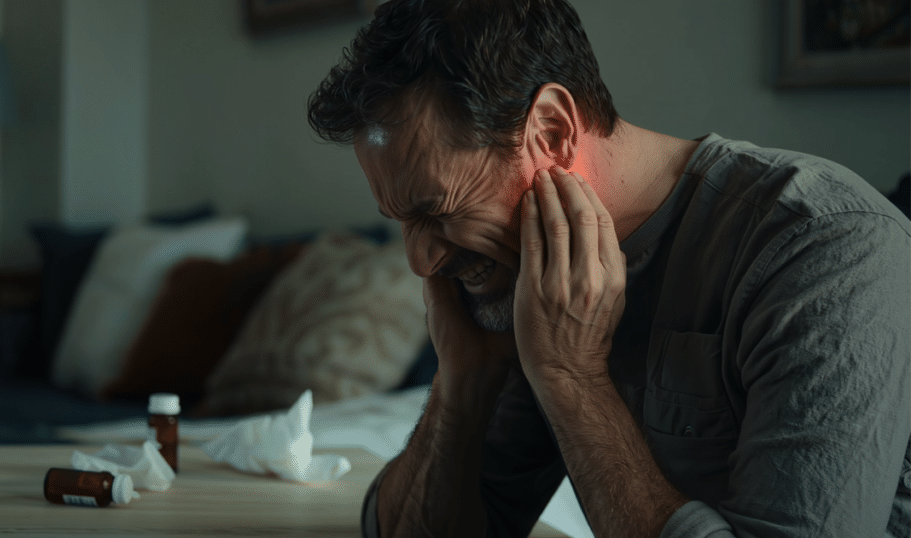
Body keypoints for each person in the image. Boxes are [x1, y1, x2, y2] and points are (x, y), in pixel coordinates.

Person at [306, 0, 911, 536]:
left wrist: (572, 377)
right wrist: (462, 384)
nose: (420, 261)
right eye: (400, 221)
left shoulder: (827, 247)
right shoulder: (533, 273)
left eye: (435, 211)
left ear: (551, 130)